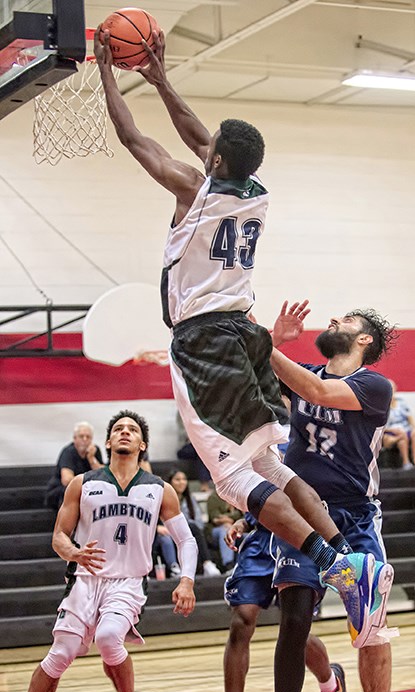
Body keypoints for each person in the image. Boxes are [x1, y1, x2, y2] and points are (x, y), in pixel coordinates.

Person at [94, 29, 393, 645]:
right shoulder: (254, 193)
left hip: (207, 345)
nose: (204, 153)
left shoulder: (191, 193)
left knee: (236, 481)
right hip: (245, 336)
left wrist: (105, 71)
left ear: (215, 163)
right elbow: (204, 138)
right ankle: (349, 554)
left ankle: (334, 564)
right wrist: (158, 78)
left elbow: (135, 138)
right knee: (271, 467)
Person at [250, 303, 402, 692]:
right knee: (293, 619)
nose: (333, 322)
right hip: (300, 514)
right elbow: (253, 379)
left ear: (364, 342)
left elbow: (314, 390)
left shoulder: (374, 386)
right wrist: (271, 339)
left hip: (354, 516)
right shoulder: (304, 375)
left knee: (371, 625)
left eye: (346, 322)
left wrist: (269, 345)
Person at [7, 410, 197, 692]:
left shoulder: (160, 490)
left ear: (143, 444)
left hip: (127, 581)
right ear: (107, 442)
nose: (125, 432)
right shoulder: (82, 483)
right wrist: (76, 553)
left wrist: (186, 580)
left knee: (109, 637)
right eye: (118, 429)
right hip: (84, 580)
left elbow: (186, 540)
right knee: (60, 655)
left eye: (133, 430)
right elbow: (59, 537)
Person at [210, 511, 348, 692]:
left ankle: (330, 682)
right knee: (241, 620)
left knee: (295, 628)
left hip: (299, 539)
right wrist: (245, 520)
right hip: (261, 542)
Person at [168, 470, 221, 576]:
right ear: (170, 482)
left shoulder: (190, 499)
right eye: (177, 479)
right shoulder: (166, 499)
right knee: (192, 527)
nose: (181, 482)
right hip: (171, 531)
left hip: (190, 531)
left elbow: (198, 520)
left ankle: (207, 564)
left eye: (184, 479)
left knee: (195, 528)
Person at [45, 421, 104, 511]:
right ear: (75, 438)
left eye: (88, 437)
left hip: (85, 491)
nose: (84, 439)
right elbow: (67, 480)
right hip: (59, 491)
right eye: (81, 436)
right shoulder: (68, 451)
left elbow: (104, 476)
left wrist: (91, 459)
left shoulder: (95, 451)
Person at [206, 489, 243, 572]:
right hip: (216, 530)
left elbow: (243, 515)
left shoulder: (238, 495)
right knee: (226, 530)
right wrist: (233, 518)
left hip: (237, 527)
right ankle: (228, 565)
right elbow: (215, 518)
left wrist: (230, 519)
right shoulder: (214, 497)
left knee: (248, 536)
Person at [382, 380, 415, 470]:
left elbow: (410, 418)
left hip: (404, 429)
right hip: (391, 431)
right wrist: (392, 431)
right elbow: (380, 425)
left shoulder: (401, 402)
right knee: (402, 440)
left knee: (412, 434)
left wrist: (413, 428)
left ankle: (412, 461)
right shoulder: (382, 405)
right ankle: (406, 463)